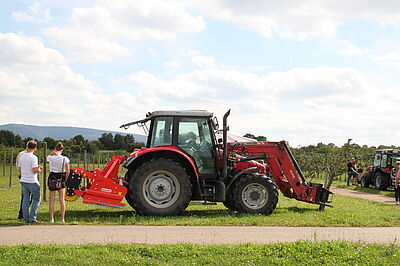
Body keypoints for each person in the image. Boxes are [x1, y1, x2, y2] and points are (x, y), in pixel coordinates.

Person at [18, 140, 42, 223]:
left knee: (26, 199)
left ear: (27, 146)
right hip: (32, 181)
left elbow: (19, 168)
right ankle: (32, 218)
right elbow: (35, 170)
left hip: (23, 180)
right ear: (35, 148)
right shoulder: (33, 157)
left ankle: (26, 218)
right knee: (37, 199)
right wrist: (39, 169)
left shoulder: (22, 156)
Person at [47, 142, 70, 223]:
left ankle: (51, 219)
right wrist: (66, 179)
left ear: (55, 149)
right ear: (62, 150)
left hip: (52, 177)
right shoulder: (65, 159)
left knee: (52, 199)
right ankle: (62, 219)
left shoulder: (50, 157)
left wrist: (52, 153)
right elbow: (68, 171)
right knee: (61, 199)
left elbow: (46, 158)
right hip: (61, 178)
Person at [15, 144, 28, 220]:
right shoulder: (24, 155)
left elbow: (17, 166)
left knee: (25, 196)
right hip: (26, 176)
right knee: (27, 196)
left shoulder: (21, 154)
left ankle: (22, 214)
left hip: (22, 175)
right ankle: (22, 214)